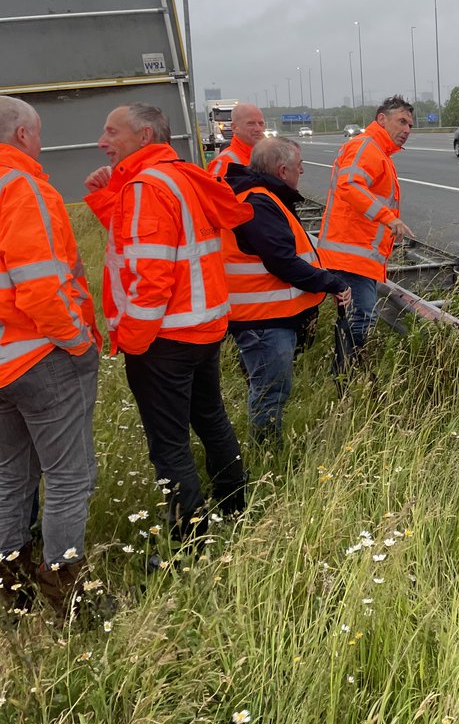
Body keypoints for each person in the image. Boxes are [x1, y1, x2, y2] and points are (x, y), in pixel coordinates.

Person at [84, 103, 252, 543]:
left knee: (170, 444)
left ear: (143, 137)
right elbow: (135, 234)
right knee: (211, 419)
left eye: (110, 131)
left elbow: (150, 275)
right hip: (202, 328)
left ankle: (190, 542)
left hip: (165, 337)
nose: (102, 141)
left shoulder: (145, 186)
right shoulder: (178, 176)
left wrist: (134, 342)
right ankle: (236, 506)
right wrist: (106, 194)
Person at [0, 97, 101, 617]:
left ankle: (11, 584)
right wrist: (78, 343)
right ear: (22, 136)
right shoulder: (21, 186)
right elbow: (40, 287)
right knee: (69, 475)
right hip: (40, 355)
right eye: (37, 135)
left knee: (10, 475)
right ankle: (67, 592)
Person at [222, 138, 351, 444]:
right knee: (270, 393)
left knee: (271, 390)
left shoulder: (264, 196)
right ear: (282, 171)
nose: (302, 171)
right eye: (299, 166)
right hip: (263, 320)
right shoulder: (258, 202)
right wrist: (332, 282)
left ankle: (269, 448)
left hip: (267, 317)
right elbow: (283, 261)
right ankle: (268, 454)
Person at [316, 94, 414, 374]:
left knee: (358, 317)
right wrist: (388, 219)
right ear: (381, 120)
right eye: (402, 121)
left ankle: (347, 374)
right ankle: (347, 375)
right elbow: (349, 185)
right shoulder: (367, 146)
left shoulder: (378, 152)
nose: (407, 130)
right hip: (350, 254)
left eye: (410, 125)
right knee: (362, 317)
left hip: (358, 255)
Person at [207, 103, 266, 179]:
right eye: (251, 124)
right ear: (234, 127)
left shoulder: (271, 156)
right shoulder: (223, 163)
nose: (258, 129)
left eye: (261, 123)